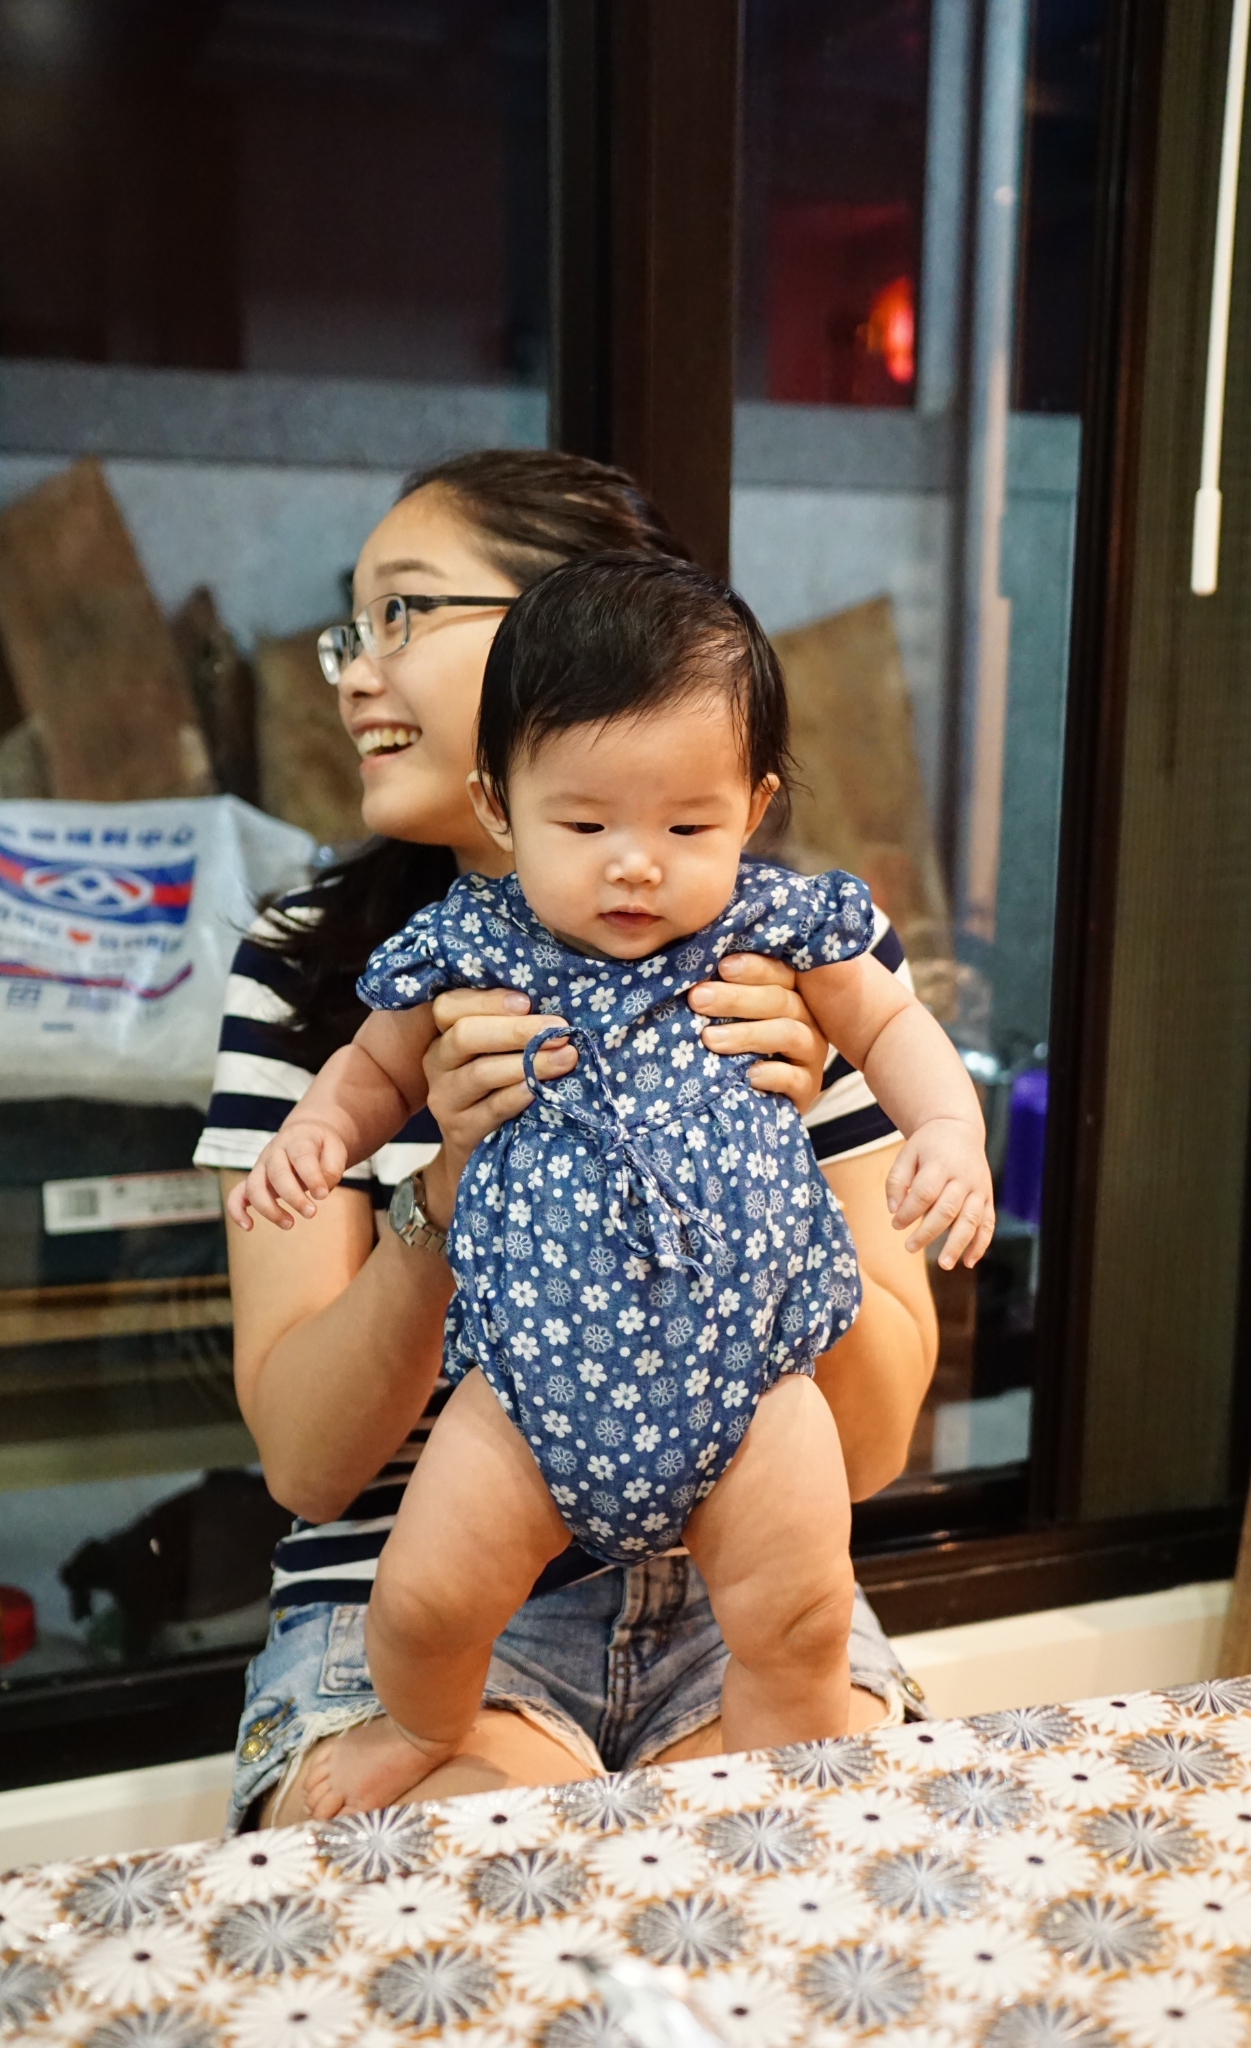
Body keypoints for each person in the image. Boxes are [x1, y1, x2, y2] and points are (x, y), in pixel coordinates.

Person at [195, 451, 939, 1830]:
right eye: (352, 629)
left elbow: (878, 1442)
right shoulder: (321, 972)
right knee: (498, 1891)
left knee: (786, 1875)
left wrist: (772, 1161)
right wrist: (441, 1188)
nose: (354, 675)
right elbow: (306, 1465)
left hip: (735, 1589)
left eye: (404, 613)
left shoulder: (784, 961)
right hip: (415, 1583)